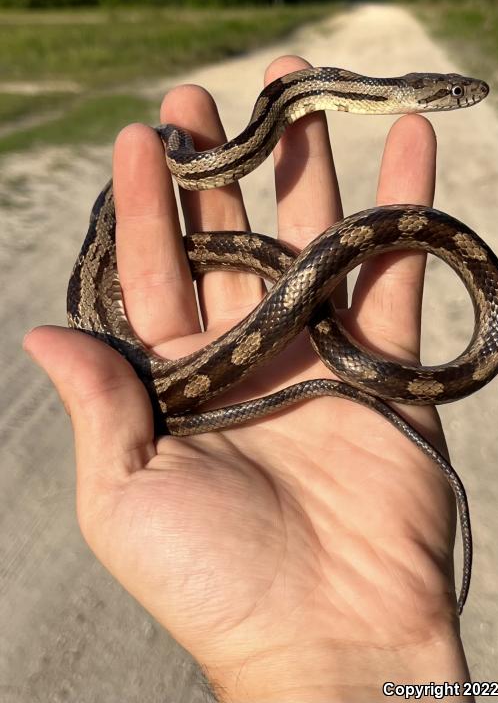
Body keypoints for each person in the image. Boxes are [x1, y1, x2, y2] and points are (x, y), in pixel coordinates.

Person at [24, 56, 474, 701]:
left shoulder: (318, 99)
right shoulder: (227, 142)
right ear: (413, 91)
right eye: (453, 93)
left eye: (454, 93)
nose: (461, 96)